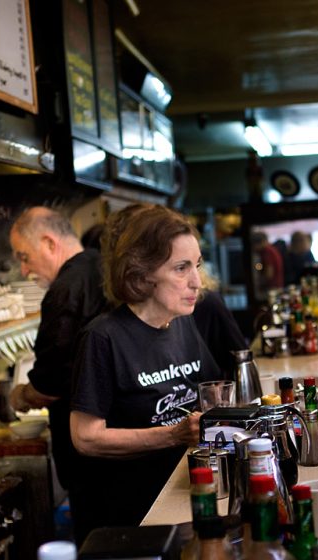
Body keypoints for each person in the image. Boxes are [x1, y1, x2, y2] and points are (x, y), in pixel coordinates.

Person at [70, 204, 222, 528]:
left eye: (197, 265)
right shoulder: (103, 337)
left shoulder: (181, 322)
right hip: (135, 514)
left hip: (187, 493)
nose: (197, 282)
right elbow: (85, 437)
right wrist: (172, 435)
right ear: (141, 274)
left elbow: (212, 391)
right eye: (181, 268)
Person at [8, 207, 109, 546]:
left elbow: (51, 383)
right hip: (117, 440)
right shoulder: (104, 263)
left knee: (98, 548)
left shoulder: (65, 289)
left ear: (50, 243)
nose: (24, 270)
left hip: (91, 462)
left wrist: (20, 395)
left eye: (25, 257)